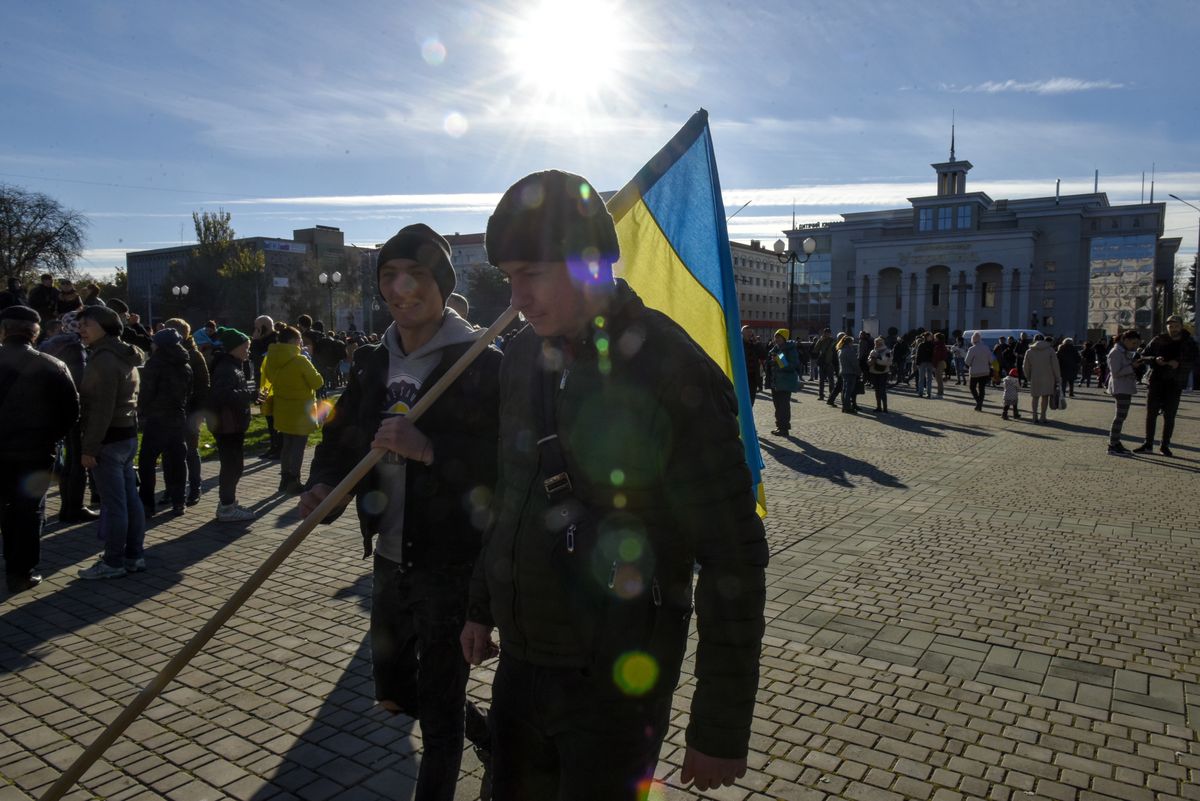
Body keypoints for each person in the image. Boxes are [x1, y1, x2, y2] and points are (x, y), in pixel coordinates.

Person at [461, 170, 767, 799]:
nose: (516, 299)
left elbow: (733, 556)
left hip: (619, 682)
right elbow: (511, 489)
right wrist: (480, 606)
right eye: (508, 277)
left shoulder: (670, 370)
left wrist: (719, 727)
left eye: (533, 275)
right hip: (523, 664)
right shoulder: (522, 357)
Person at [300, 223, 501, 801]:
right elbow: (336, 439)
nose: (401, 287)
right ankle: (488, 732)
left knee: (436, 720)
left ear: (442, 284)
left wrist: (431, 450)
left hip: (451, 563)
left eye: (416, 275)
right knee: (395, 690)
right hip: (389, 558)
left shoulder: (481, 362)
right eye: (389, 275)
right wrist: (323, 486)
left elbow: (502, 466)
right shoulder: (370, 362)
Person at [0, 306, 79, 592]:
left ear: (4, 330)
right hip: (36, 452)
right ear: (35, 333)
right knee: (28, 510)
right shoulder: (52, 365)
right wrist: (50, 438)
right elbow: (71, 412)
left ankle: (12, 559)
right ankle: (21, 572)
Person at [75, 305, 146, 579]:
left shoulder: (103, 359)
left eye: (87, 324)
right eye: (80, 325)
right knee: (129, 500)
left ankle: (114, 561)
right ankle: (133, 555)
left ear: (105, 326)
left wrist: (90, 447)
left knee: (116, 504)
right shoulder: (123, 354)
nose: (82, 329)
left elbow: (101, 408)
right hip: (126, 435)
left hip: (109, 439)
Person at [39, 311, 96, 523]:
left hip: (55, 411)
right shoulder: (75, 349)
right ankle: (74, 507)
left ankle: (66, 506)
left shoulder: (51, 346)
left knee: (66, 459)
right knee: (77, 459)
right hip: (75, 410)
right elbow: (80, 382)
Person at [260, 326, 323, 494]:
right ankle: (294, 480)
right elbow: (317, 382)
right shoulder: (300, 360)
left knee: (287, 444)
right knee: (298, 446)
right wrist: (308, 360)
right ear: (294, 341)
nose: (302, 343)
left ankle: (284, 478)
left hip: (282, 408)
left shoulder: (270, 359)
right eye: (300, 340)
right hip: (301, 410)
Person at [137, 328, 192, 516]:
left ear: (160, 346)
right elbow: (188, 391)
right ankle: (179, 502)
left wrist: (142, 410)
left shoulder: (155, 364)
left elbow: (146, 392)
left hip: (157, 419)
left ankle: (146, 504)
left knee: (147, 462)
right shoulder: (185, 364)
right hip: (178, 417)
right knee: (177, 461)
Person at [206, 327, 257, 521]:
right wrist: (249, 395)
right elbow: (222, 395)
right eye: (245, 347)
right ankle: (226, 507)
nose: (247, 351)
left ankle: (228, 502)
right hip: (228, 426)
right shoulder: (227, 368)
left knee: (235, 465)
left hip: (232, 424)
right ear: (232, 348)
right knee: (232, 466)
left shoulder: (233, 365)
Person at [1134, 314, 1197, 457]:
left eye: (1175, 326)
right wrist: (1155, 359)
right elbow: (1143, 356)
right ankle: (1148, 444)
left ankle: (1165, 445)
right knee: (1151, 414)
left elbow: (1194, 359)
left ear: (1181, 326)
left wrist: (1179, 363)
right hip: (1156, 381)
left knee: (1170, 416)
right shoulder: (1158, 339)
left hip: (1175, 383)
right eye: (1170, 326)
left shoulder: (1188, 342)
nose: (1173, 329)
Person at [1106, 329, 1143, 456]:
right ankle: (1112, 444)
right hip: (1120, 387)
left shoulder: (1124, 351)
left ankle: (1115, 442)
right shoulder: (1116, 352)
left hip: (1124, 387)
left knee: (1122, 416)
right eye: (1133, 343)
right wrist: (1132, 367)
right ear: (1125, 340)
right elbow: (1115, 372)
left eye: (1137, 344)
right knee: (1120, 417)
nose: (1135, 346)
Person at [1022, 334, 1061, 424]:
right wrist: (1058, 377)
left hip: (1035, 376)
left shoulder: (1029, 351)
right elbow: (1055, 365)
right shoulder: (1050, 350)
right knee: (1045, 396)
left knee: (1035, 397)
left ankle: (1034, 416)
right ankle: (1043, 416)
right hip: (1048, 376)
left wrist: (1027, 376)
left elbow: (1025, 366)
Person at [768, 329, 799, 434]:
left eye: (779, 337)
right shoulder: (775, 349)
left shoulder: (790, 349)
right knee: (777, 405)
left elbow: (793, 365)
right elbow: (773, 363)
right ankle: (779, 426)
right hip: (775, 381)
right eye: (775, 337)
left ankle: (784, 428)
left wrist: (779, 361)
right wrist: (772, 362)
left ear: (784, 338)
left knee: (783, 406)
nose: (776, 339)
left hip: (785, 381)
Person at [964, 332, 993, 411]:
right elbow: (991, 360)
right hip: (985, 371)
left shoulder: (972, 349)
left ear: (973, 340)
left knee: (972, 387)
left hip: (974, 372)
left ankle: (978, 402)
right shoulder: (986, 348)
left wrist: (970, 364)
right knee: (982, 388)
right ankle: (980, 403)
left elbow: (967, 361)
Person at [866, 336, 892, 413]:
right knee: (877, 390)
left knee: (882, 390)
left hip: (883, 373)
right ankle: (878, 407)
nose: (876, 344)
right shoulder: (873, 351)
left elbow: (889, 362)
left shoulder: (887, 351)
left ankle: (885, 408)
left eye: (877, 343)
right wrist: (870, 361)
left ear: (881, 343)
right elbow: (868, 361)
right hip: (874, 372)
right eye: (875, 342)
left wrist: (877, 360)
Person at [837, 333, 861, 413]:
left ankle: (844, 406)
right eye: (852, 342)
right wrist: (858, 371)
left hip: (843, 371)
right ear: (849, 342)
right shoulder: (849, 351)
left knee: (844, 390)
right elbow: (854, 363)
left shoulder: (841, 350)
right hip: (850, 372)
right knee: (848, 391)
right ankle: (848, 407)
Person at [813, 328, 835, 400]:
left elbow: (836, 351)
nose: (826, 334)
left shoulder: (833, 341)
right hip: (822, 363)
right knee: (821, 380)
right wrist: (820, 340)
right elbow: (816, 350)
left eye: (828, 333)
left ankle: (831, 395)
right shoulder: (821, 341)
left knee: (831, 380)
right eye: (825, 333)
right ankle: (821, 395)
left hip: (830, 363)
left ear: (830, 333)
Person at [741, 326, 762, 404]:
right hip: (743, 376)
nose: (749, 334)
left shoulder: (754, 345)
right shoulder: (739, 345)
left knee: (750, 401)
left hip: (753, 377)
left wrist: (757, 344)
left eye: (750, 332)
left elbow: (763, 355)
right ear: (742, 333)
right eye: (747, 332)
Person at [914, 332, 935, 399]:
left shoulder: (931, 345)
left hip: (929, 362)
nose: (931, 337)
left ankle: (928, 393)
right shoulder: (922, 345)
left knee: (929, 378)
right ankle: (921, 392)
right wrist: (917, 363)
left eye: (931, 336)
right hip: (923, 362)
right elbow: (918, 354)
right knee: (922, 378)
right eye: (930, 336)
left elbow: (934, 355)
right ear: (926, 337)